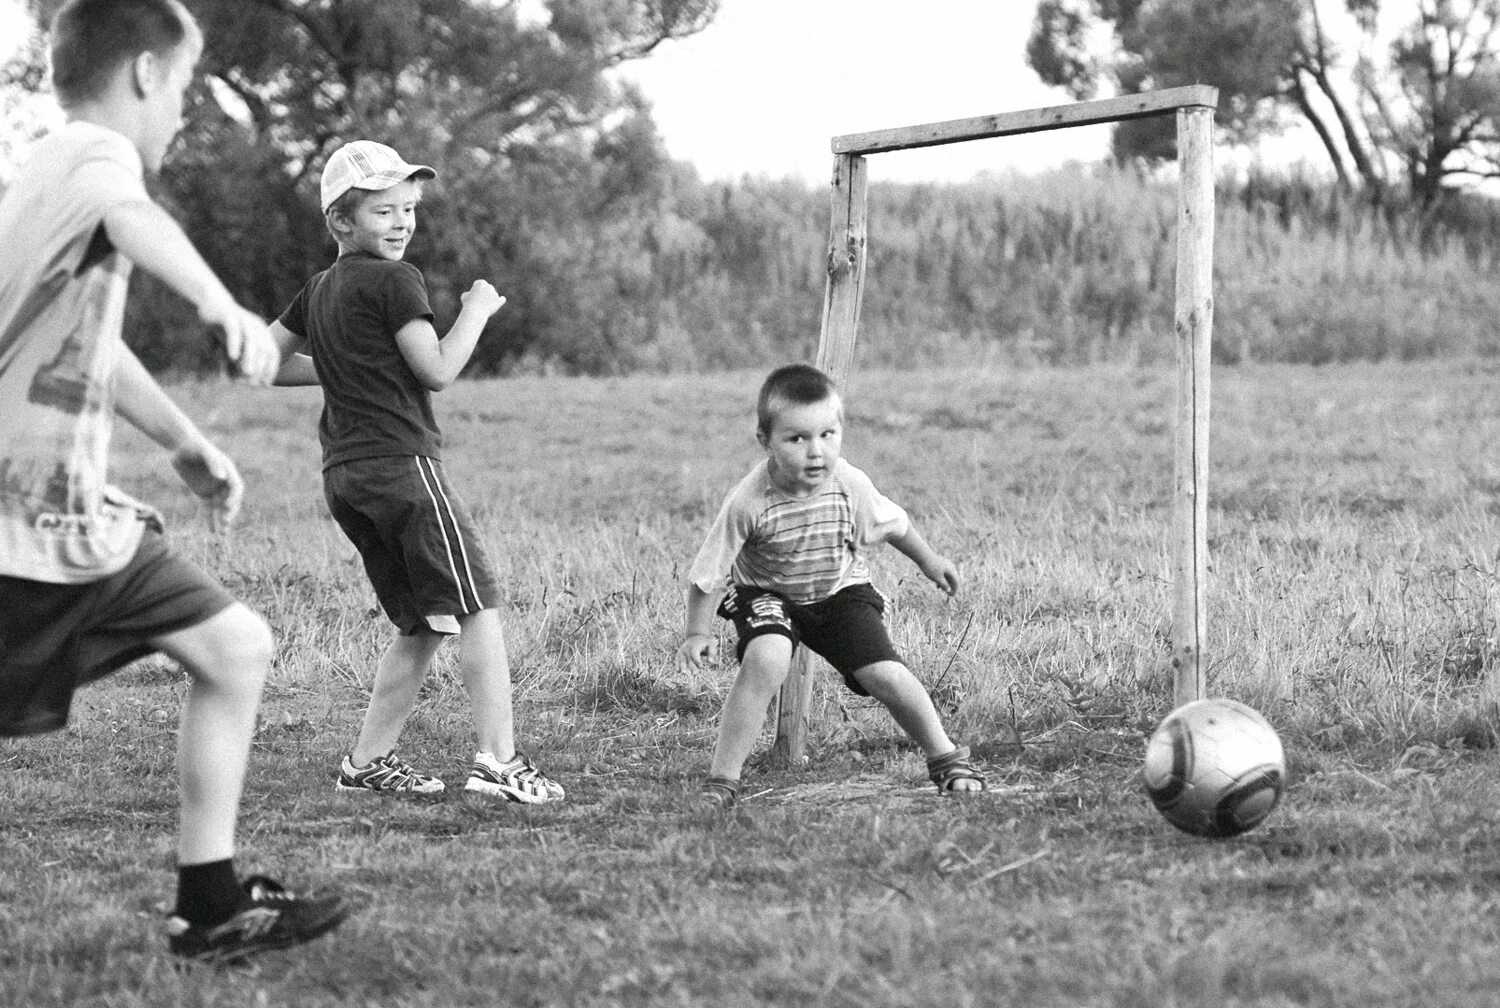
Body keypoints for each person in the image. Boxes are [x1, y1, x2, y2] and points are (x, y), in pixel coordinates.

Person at [0, 0, 352, 964]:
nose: (184, 111)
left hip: (64, 520)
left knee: (235, 647)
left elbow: (93, 349)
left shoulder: (41, 170)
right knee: (235, 649)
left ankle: (209, 904)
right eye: (188, 87)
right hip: (19, 528)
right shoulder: (89, 159)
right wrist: (215, 301)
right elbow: (133, 213)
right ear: (148, 74)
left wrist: (186, 444)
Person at [267, 140, 564, 805]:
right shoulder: (395, 280)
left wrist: (347, 365)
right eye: (383, 212)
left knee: (424, 622)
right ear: (343, 223)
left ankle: (367, 760)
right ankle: (499, 760)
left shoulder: (318, 289)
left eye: (407, 209)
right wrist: (478, 311)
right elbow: (436, 370)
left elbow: (265, 360)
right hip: (403, 467)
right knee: (477, 605)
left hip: (345, 478)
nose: (401, 223)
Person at [676, 364, 986, 806]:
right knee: (767, 658)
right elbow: (709, 572)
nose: (816, 451)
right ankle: (723, 780)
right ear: (765, 441)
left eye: (828, 435)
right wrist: (698, 633)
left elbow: (895, 527)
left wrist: (930, 561)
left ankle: (946, 756)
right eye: (796, 439)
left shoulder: (851, 484)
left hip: (840, 592)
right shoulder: (749, 499)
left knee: (886, 674)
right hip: (767, 595)